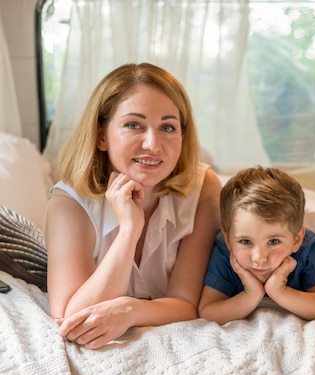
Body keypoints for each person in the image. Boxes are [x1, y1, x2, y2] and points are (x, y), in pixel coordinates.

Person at [46, 62, 222, 349]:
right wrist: (129, 230)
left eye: (167, 127)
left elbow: (186, 303)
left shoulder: (204, 188)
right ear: (101, 136)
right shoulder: (69, 202)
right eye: (133, 125)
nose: (153, 144)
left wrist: (129, 310)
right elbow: (71, 316)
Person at [198, 165, 315, 324]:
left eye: (273, 241)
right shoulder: (225, 252)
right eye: (246, 241)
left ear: (296, 240)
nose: (259, 258)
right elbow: (208, 312)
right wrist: (251, 294)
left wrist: (279, 291)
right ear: (229, 240)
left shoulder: (307, 249)